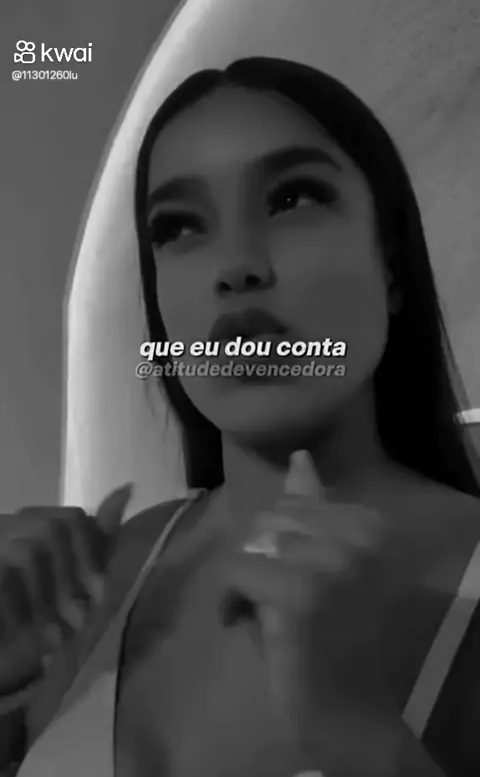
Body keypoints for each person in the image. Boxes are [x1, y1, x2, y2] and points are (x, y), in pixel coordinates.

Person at [2, 57, 480, 777]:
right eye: (178, 227)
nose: (236, 266)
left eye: (292, 197)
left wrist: (353, 724)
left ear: (390, 263)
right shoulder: (99, 575)